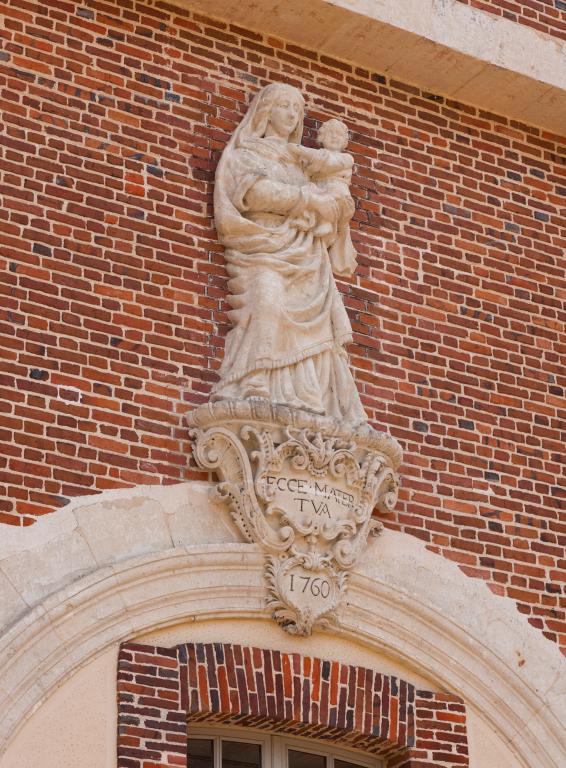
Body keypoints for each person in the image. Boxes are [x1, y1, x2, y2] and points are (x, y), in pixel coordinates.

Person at [211, 82, 366, 424]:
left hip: (306, 253)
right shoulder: (247, 153)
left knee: (318, 327)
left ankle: (308, 395)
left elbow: (335, 201)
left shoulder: (302, 163)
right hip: (260, 245)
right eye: (284, 106)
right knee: (267, 299)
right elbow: (256, 194)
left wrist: (333, 203)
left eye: (296, 109)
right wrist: (308, 200)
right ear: (267, 111)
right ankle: (254, 380)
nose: (292, 114)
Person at [289, 118, 357, 277]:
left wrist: (299, 150)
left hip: (338, 192)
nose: (334, 137)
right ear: (321, 137)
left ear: (345, 141)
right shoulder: (316, 156)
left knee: (332, 199)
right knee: (309, 193)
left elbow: (328, 162)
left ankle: (325, 226)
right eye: (330, 133)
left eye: (339, 135)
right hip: (320, 192)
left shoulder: (347, 159)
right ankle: (308, 223)